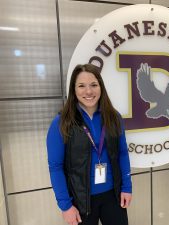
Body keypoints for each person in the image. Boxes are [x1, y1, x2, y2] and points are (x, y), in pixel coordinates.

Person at [46, 64, 132, 225]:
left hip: (113, 195)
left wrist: (127, 187)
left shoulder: (114, 117)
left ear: (101, 87)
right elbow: (55, 166)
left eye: (93, 85)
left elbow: (122, 153)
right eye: (81, 86)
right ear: (74, 89)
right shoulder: (61, 122)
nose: (88, 91)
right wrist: (66, 206)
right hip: (80, 200)